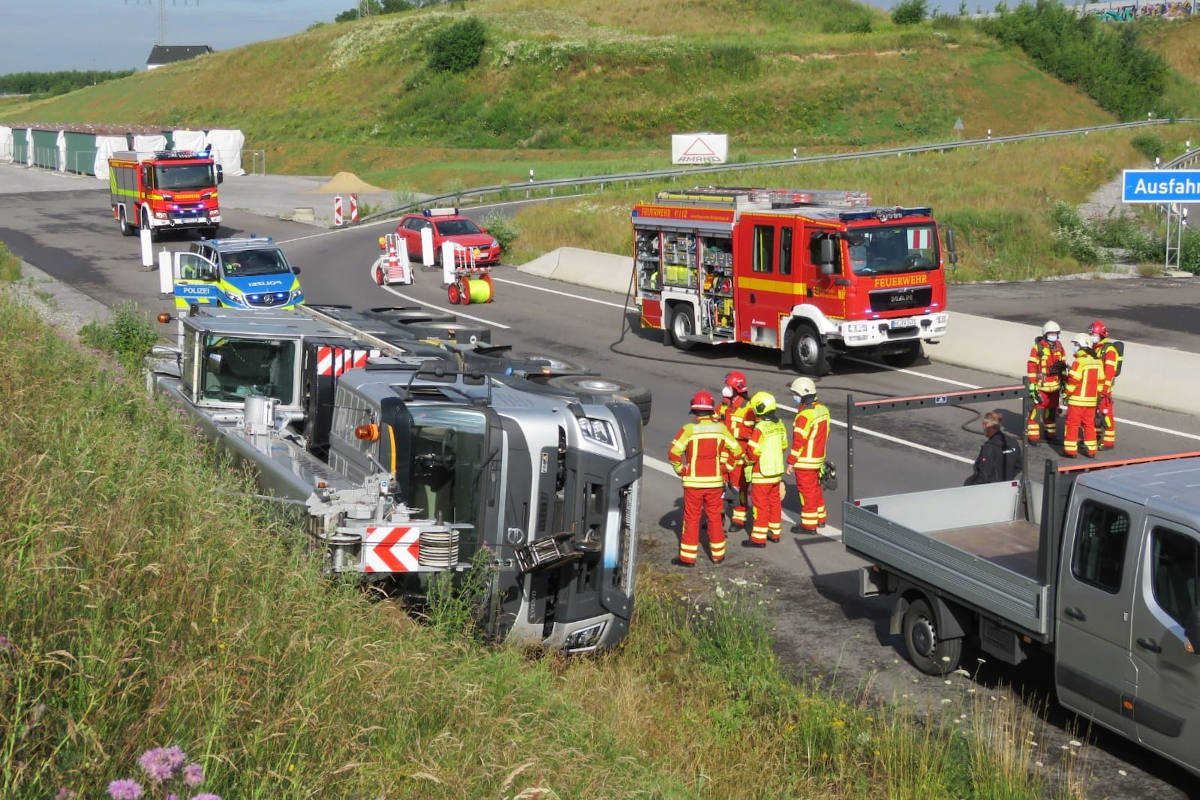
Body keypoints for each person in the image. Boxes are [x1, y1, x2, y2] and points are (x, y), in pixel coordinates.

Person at [668, 390, 743, 566]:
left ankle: (687, 558)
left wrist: (681, 470)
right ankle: (718, 555)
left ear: (694, 411)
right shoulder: (721, 429)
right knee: (715, 518)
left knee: (691, 519)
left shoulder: (688, 430)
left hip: (693, 483)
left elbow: (673, 453)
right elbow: (737, 450)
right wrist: (726, 468)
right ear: (711, 410)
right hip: (715, 483)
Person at [785, 376, 830, 534]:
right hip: (818, 458)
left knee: (807, 493)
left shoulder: (804, 416)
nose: (794, 397)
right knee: (815, 489)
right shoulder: (823, 410)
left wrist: (791, 462)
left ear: (804, 395)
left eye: (796, 394)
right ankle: (820, 518)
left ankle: (809, 525)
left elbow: (798, 443)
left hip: (805, 461)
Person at [744, 391, 789, 546]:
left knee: (760, 505)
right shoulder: (780, 424)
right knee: (774, 503)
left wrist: (747, 461)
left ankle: (758, 538)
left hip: (762, 473)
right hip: (776, 472)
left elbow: (753, 452)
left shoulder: (760, 428)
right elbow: (784, 446)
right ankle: (775, 533)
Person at [716, 370, 753, 532]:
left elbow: (752, 433)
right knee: (719, 487)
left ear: (737, 389)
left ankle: (739, 518)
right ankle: (717, 518)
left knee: (739, 488)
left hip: (739, 456)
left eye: (729, 386)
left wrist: (730, 433)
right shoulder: (723, 406)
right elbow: (714, 421)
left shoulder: (748, 409)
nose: (725, 389)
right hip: (722, 455)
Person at [1025, 320, 1066, 445]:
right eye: (1051, 333)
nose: (1054, 335)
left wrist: (1064, 382)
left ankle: (1050, 434)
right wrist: (1032, 384)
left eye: (1056, 333)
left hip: (1055, 386)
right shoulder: (1038, 348)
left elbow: (1063, 365)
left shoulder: (1059, 347)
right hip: (1041, 386)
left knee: (1051, 411)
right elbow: (1031, 366)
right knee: (1035, 411)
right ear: (1045, 334)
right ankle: (1033, 436)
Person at [1062, 335, 1102, 458]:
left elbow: (1073, 381)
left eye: (1076, 344)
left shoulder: (1079, 362)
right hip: (1091, 401)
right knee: (1089, 425)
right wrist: (1097, 396)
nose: (1074, 347)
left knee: (1072, 424)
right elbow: (1101, 381)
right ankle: (1092, 450)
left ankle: (1070, 451)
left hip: (1077, 400)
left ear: (1081, 346)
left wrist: (1066, 394)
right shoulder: (1098, 361)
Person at [1089, 319, 1122, 450]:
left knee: (1106, 414)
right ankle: (1097, 437)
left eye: (1094, 334)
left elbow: (1109, 373)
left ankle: (1108, 442)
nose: (1092, 337)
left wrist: (1104, 391)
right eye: (1091, 334)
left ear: (1101, 335)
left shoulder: (1109, 350)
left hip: (1104, 390)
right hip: (1095, 388)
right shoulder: (1096, 348)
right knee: (1095, 414)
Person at [964, 411, 1021, 485]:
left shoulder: (989, 448)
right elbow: (1019, 465)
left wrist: (970, 485)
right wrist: (1008, 477)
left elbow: (984, 475)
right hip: (1007, 484)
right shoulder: (1013, 442)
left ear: (986, 425)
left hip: (992, 487)